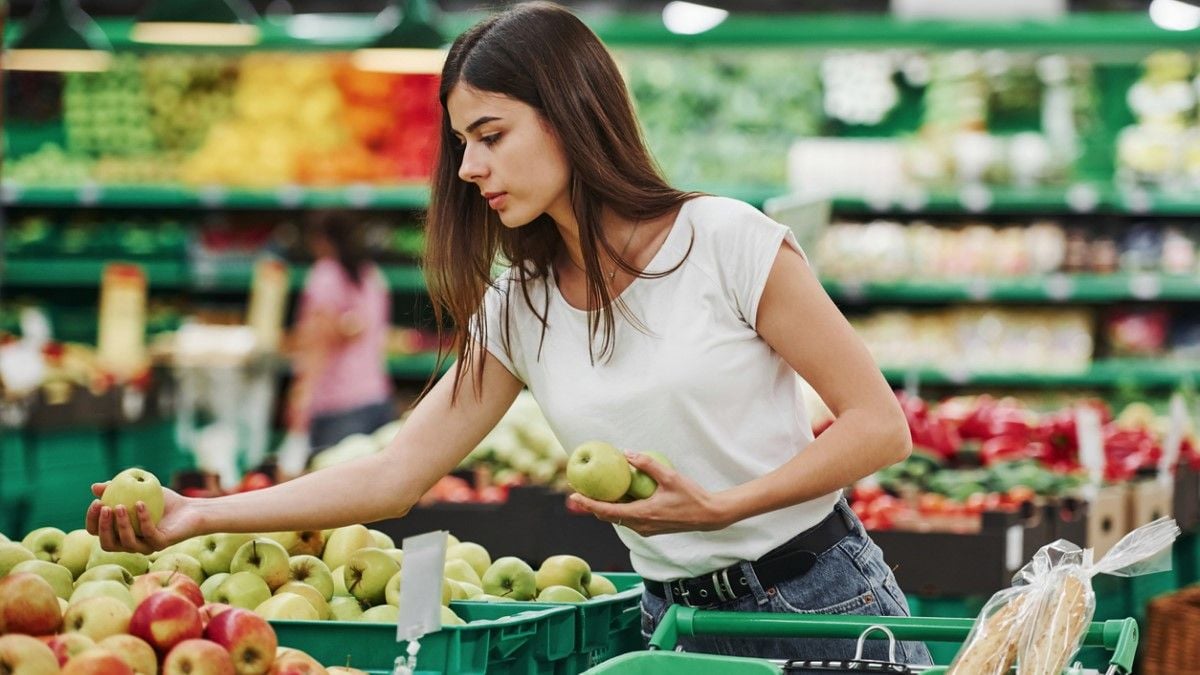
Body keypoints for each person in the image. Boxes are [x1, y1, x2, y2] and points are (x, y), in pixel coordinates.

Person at [88, 3, 932, 667]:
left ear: (569, 114)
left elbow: (876, 423)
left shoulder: (726, 241)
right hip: (671, 623)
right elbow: (392, 474)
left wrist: (720, 507)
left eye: (491, 137)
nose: (467, 169)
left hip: (819, 601)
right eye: (461, 143)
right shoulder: (517, 306)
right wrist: (198, 514)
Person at [280, 210, 394, 471]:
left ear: (321, 239)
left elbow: (318, 345)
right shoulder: (371, 276)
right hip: (376, 396)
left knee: (335, 494)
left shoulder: (325, 276)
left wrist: (300, 399)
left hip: (338, 405)